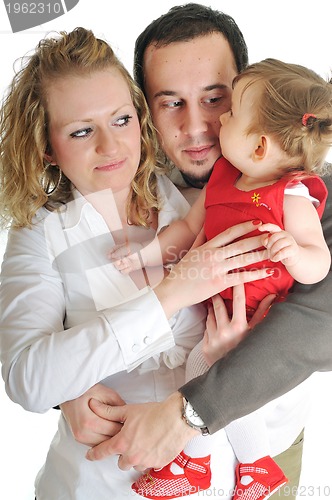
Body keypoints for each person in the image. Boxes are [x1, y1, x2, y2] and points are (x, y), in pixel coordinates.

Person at [0, 27, 272, 499]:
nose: (110, 146)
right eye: (82, 131)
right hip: (98, 485)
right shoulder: (38, 235)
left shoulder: (200, 201)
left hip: (223, 478)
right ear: (47, 145)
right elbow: (28, 379)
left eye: (122, 119)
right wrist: (171, 294)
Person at [74, 4, 332, 499]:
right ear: (143, 106)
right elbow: (50, 305)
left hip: (268, 443)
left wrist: (191, 410)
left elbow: (324, 315)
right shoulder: (118, 186)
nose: (200, 127)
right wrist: (67, 392)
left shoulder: (307, 189)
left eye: (218, 100)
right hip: (130, 460)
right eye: (171, 103)